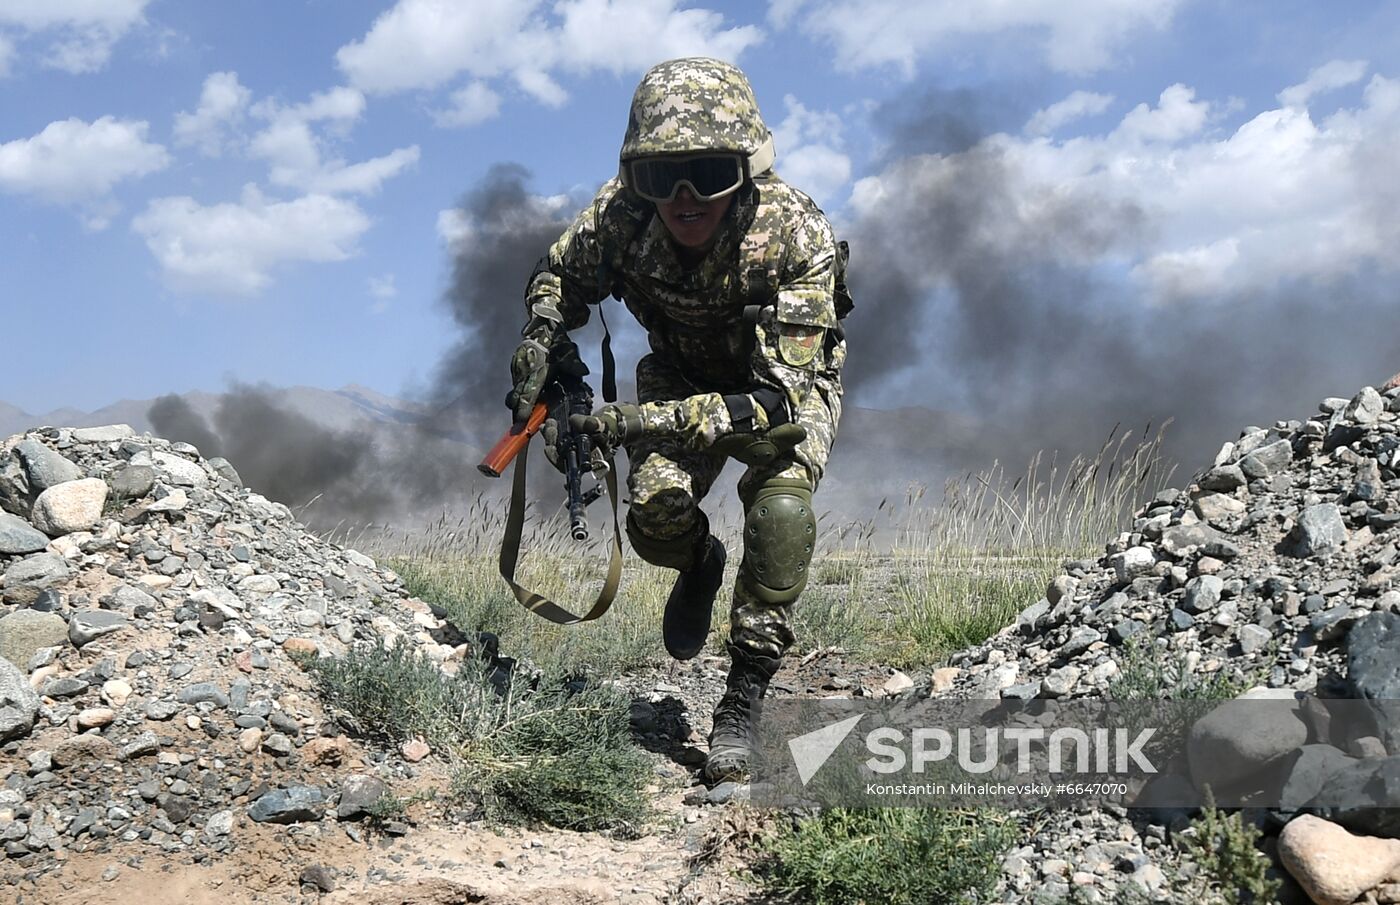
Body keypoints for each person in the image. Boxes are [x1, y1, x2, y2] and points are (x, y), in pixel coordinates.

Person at [506, 57, 846, 782]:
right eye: (663, 178)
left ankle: (742, 703)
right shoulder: (618, 217)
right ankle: (699, 561)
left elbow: (779, 402)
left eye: (709, 174)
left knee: (781, 511)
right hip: (679, 371)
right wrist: (542, 345)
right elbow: (556, 277)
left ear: (746, 167)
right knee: (655, 518)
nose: (685, 198)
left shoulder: (797, 234)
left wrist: (631, 423)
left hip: (777, 389)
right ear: (637, 179)